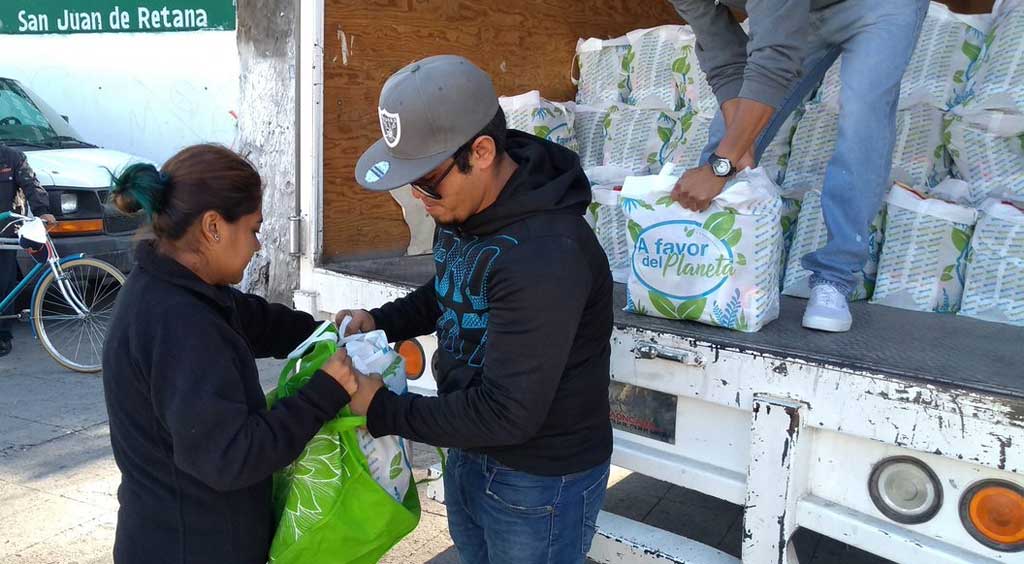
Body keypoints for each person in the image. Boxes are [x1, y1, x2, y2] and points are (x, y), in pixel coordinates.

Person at [339, 55, 614, 564]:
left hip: (536, 478)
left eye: (425, 180)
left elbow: (508, 413)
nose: (419, 198)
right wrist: (381, 320)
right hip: (467, 443)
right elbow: (451, 288)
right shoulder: (463, 204)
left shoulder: (546, 252)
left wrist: (383, 410)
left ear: (482, 151)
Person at [101, 144, 360, 564]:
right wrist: (324, 393)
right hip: (188, 548)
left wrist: (333, 332)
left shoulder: (177, 288)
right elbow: (233, 457)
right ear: (213, 227)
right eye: (254, 229)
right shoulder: (180, 323)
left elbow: (260, 323)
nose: (258, 244)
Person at [669, 0, 929, 332]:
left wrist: (722, 166)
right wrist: (735, 151)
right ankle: (709, 261)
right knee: (727, 134)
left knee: (863, 116)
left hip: (879, 6)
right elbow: (725, 57)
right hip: (799, 10)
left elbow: (774, 61)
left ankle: (835, 277)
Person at [0, 143, 56, 356]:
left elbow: (31, 184)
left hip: (4, 231)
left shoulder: (12, 158)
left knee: (4, 283)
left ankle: (3, 335)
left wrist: (43, 211)